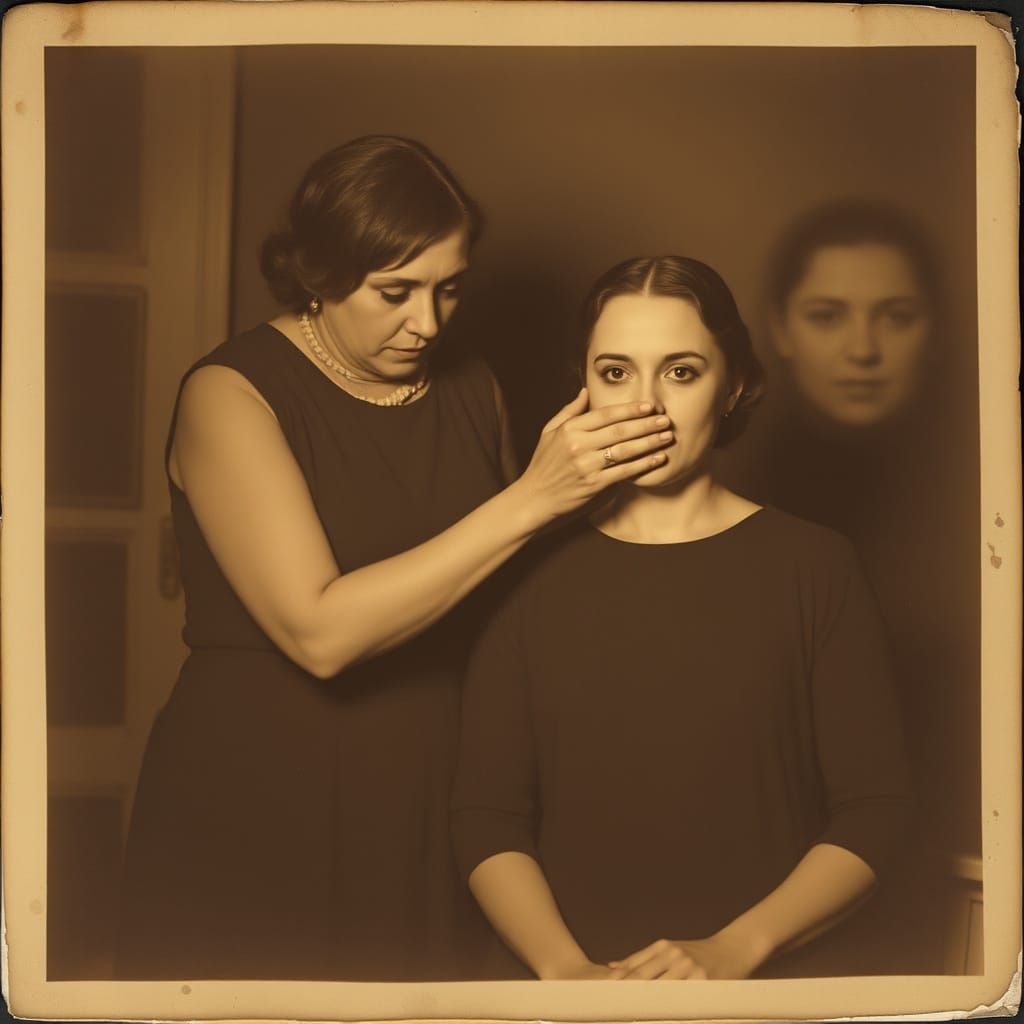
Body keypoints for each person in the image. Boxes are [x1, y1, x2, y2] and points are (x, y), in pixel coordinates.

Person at [115, 136, 676, 982]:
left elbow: (495, 590)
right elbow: (320, 633)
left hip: (427, 785)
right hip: (259, 786)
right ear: (316, 273)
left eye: (450, 287)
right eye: (395, 291)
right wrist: (533, 497)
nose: (429, 322)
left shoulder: (469, 384)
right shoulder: (229, 393)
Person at [451, 255, 912, 981]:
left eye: (681, 372)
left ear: (733, 386)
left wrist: (733, 950)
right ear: (582, 389)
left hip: (759, 992)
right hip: (570, 996)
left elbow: (877, 814)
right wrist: (570, 976)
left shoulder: (817, 567)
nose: (645, 406)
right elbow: (487, 821)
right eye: (615, 373)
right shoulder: (522, 572)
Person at [717, 201, 977, 972]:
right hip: (753, 895)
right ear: (782, 329)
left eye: (895, 316)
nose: (863, 349)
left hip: (942, 883)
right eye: (829, 316)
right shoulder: (723, 497)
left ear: (936, 330)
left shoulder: (979, 491)